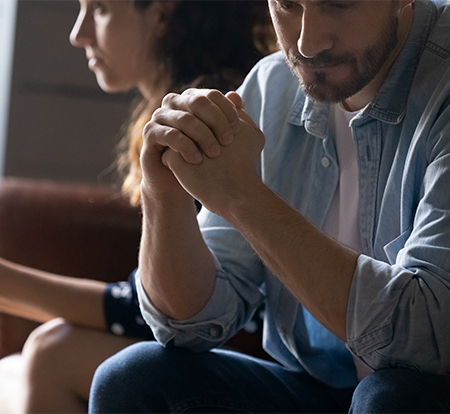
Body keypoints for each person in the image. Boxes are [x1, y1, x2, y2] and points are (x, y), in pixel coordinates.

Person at [88, 0, 450, 412]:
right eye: (288, 5)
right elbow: (186, 324)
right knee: (134, 377)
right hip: (324, 389)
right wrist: (162, 192)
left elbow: (426, 341)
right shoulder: (273, 86)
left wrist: (244, 197)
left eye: (339, 4)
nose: (307, 43)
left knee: (392, 398)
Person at [0, 1, 275, 412]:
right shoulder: (175, 112)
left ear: (162, 15)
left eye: (102, 9)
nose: (79, 33)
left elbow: (154, 311)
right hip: (213, 342)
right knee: (12, 371)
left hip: (252, 352)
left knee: (52, 352)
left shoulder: (210, 121)